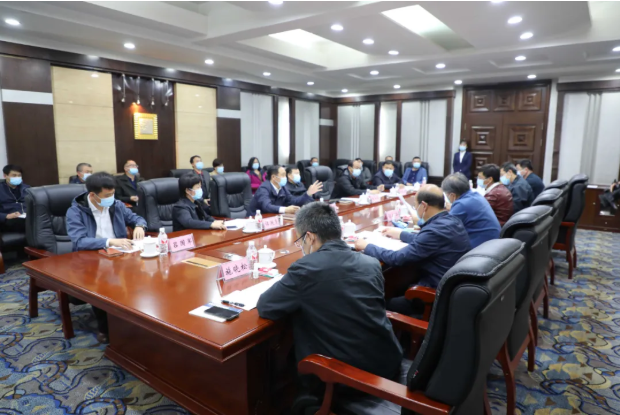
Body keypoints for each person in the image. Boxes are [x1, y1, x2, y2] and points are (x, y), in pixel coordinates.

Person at [257, 202, 403, 395]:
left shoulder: (305, 269)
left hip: (348, 379)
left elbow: (266, 306)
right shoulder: (371, 263)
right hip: (387, 363)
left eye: (301, 240)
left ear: (309, 237)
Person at [355, 185, 471, 316]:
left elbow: (397, 258)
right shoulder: (451, 220)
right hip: (449, 288)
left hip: (433, 296)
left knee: (382, 304)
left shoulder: (434, 231)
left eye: (415, 206)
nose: (416, 209)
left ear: (424, 206)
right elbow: (426, 241)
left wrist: (367, 246)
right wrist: (400, 234)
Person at [66, 172, 147, 343]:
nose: (111, 198)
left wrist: (140, 225)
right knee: (103, 285)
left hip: (119, 255)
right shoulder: (76, 211)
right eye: (107, 195)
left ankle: (138, 320)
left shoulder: (116, 205)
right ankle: (105, 328)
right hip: (91, 258)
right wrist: (109, 241)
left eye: (113, 194)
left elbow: (136, 218)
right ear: (92, 195)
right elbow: (79, 241)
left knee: (143, 277)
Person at [442, 173, 501, 248]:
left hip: (481, 247)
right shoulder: (475, 195)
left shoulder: (461, 205)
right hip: (493, 243)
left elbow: (444, 229)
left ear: (452, 195)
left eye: (446, 195)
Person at [247, 165, 322, 216]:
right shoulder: (264, 188)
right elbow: (267, 206)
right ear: (273, 177)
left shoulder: (282, 187)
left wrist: (308, 194)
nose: (285, 177)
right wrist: (285, 209)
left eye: (285, 175)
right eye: (282, 175)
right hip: (256, 220)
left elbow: (293, 201)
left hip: (273, 218)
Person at [0, 164, 29, 233]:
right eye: (14, 175)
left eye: (19, 175)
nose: (17, 177)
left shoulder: (26, 188)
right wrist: (6, 216)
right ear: (5, 176)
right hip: (9, 219)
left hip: (26, 217)